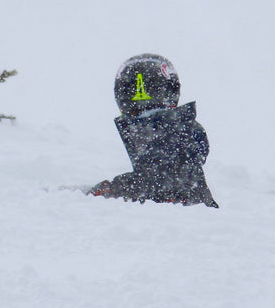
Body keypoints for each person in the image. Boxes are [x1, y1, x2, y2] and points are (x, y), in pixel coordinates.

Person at [88, 53, 218, 208]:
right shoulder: (178, 129)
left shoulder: (171, 132)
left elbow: (163, 182)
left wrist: (116, 190)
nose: (143, 110)